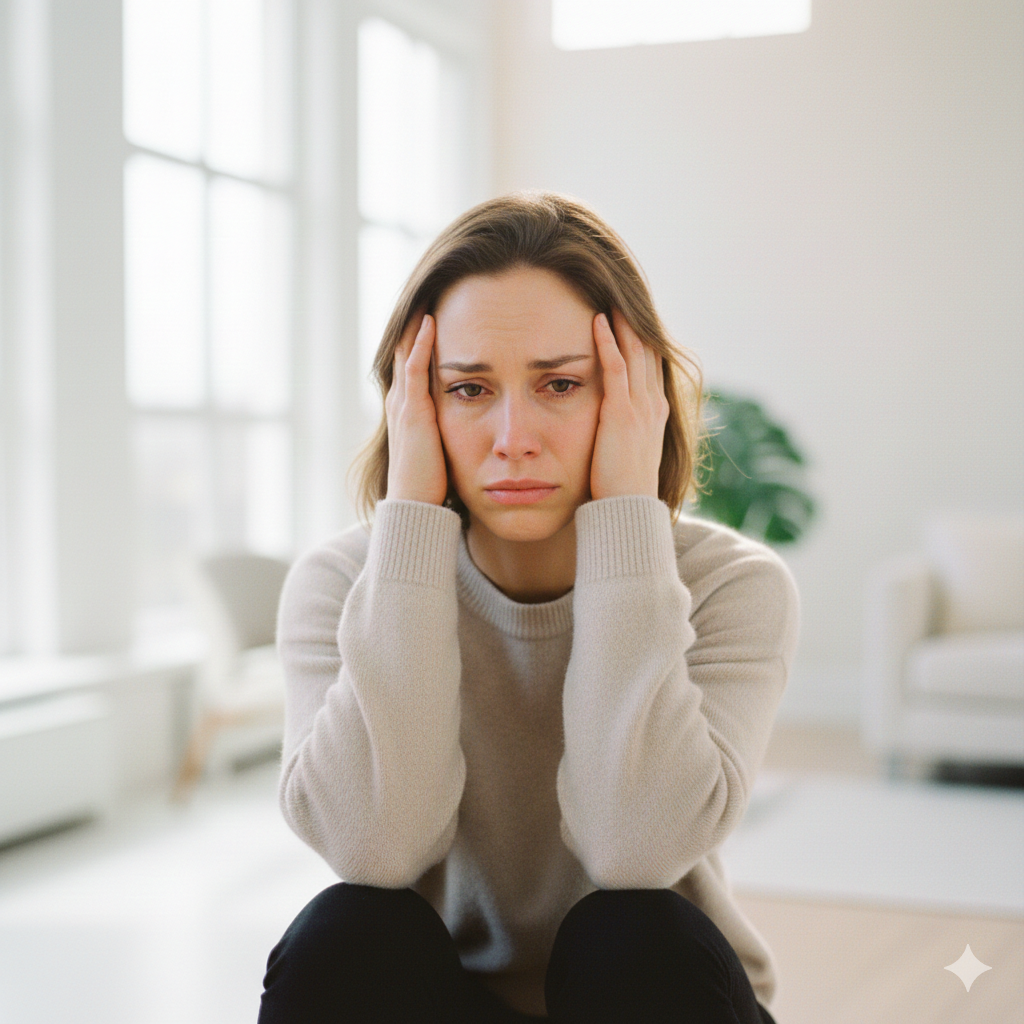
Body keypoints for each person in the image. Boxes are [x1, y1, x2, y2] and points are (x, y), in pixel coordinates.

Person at [257, 191, 799, 1024]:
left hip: (652, 998)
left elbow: (633, 850)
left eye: (560, 383)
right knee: (346, 929)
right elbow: (376, 845)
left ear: (635, 392)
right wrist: (410, 525)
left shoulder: (732, 585)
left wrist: (626, 516)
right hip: (446, 1001)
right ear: (415, 403)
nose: (513, 435)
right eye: (469, 389)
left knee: (635, 933)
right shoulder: (340, 585)